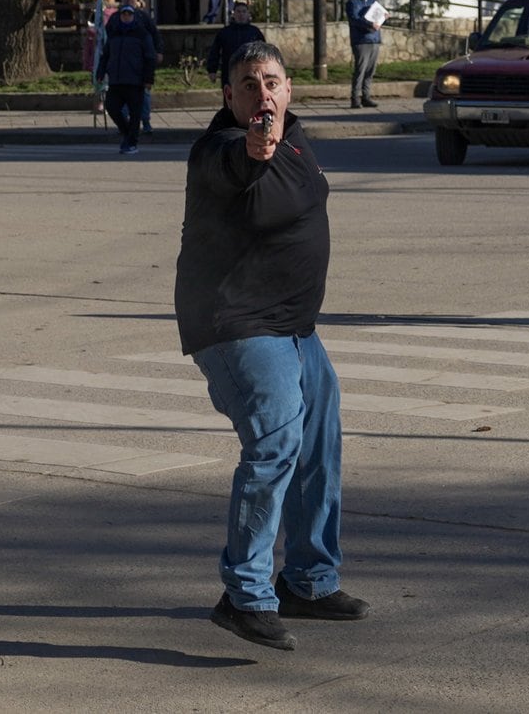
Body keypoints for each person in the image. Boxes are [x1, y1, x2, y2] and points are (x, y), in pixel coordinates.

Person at [175, 41, 371, 651]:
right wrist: (255, 145)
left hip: (296, 328)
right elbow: (239, 163)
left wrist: (275, 139)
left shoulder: (296, 139)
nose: (262, 93)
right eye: (248, 83)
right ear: (228, 96)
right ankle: (245, 595)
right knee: (275, 444)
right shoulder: (222, 149)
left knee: (319, 449)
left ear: (289, 88)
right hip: (238, 325)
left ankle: (309, 582)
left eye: (272, 80)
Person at [96, 4, 155, 155]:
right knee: (112, 107)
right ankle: (127, 133)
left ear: (133, 16)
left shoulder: (142, 34)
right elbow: (106, 55)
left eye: (129, 14)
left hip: (135, 80)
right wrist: (100, 73)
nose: (126, 17)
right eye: (124, 14)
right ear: (120, 16)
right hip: (116, 80)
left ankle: (131, 143)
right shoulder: (114, 34)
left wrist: (149, 78)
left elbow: (149, 57)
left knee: (135, 114)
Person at [106, 0, 162, 134]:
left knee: (144, 95)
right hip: (121, 66)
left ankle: (145, 121)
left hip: (139, 65)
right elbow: (108, 39)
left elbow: (155, 34)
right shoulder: (115, 19)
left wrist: (159, 51)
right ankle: (124, 124)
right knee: (122, 98)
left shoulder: (143, 18)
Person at [205, 1, 265, 89]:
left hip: (250, 72)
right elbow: (215, 52)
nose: (241, 14)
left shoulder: (255, 32)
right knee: (230, 99)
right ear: (233, 14)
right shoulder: (225, 32)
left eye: (244, 12)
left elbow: (263, 52)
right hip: (229, 72)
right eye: (238, 12)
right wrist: (212, 70)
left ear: (248, 14)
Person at [346, 0, 382, 109]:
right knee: (360, 70)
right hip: (361, 41)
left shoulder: (373, 2)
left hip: (375, 39)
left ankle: (366, 97)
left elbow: (379, 17)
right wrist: (369, 23)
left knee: (370, 71)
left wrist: (384, 18)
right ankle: (355, 98)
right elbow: (354, 19)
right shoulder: (352, 2)